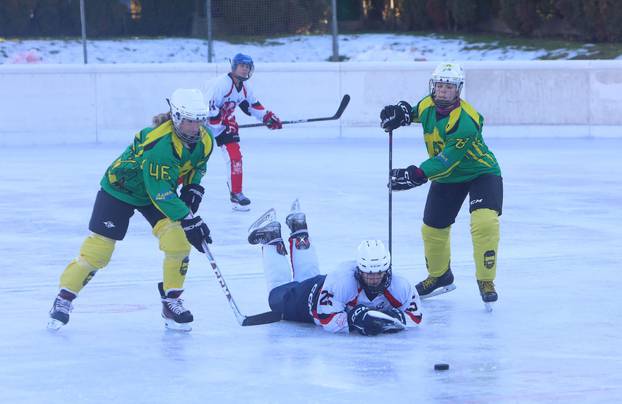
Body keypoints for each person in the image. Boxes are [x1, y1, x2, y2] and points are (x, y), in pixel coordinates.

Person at [48, 88, 215, 332]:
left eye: (200, 121)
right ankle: (63, 298)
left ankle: (172, 301)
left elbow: (197, 166)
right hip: (120, 189)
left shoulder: (205, 138)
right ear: (177, 117)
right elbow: (160, 192)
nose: (195, 127)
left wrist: (193, 187)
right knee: (98, 252)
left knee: (178, 242)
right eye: (190, 121)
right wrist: (190, 220)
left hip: (156, 192)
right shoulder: (159, 145)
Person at [379, 62, 503, 307]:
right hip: (448, 177)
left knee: (484, 222)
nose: (443, 91)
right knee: (432, 228)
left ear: (458, 90)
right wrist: (401, 114)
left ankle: (486, 280)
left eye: (448, 87)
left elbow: (447, 161)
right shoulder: (428, 104)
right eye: (439, 86)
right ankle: (439, 276)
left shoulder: (465, 121)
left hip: (481, 172)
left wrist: (417, 173)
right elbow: (414, 112)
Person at [247, 200, 422, 336]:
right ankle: (271, 237)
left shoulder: (402, 286)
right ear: (359, 269)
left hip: (325, 285)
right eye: (368, 273)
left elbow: (415, 317)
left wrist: (395, 319)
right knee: (276, 296)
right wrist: (352, 321)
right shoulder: (342, 281)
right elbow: (327, 319)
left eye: (379, 272)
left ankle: (299, 228)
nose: (374, 278)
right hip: (308, 300)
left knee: (308, 276)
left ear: (387, 269)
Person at [205, 53, 282, 211]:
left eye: (247, 67)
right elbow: (209, 108)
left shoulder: (245, 88)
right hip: (201, 127)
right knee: (192, 161)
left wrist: (268, 117)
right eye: (242, 66)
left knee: (235, 159)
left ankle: (236, 195)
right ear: (234, 67)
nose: (245, 69)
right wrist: (221, 122)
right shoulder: (221, 84)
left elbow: (252, 106)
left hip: (224, 126)